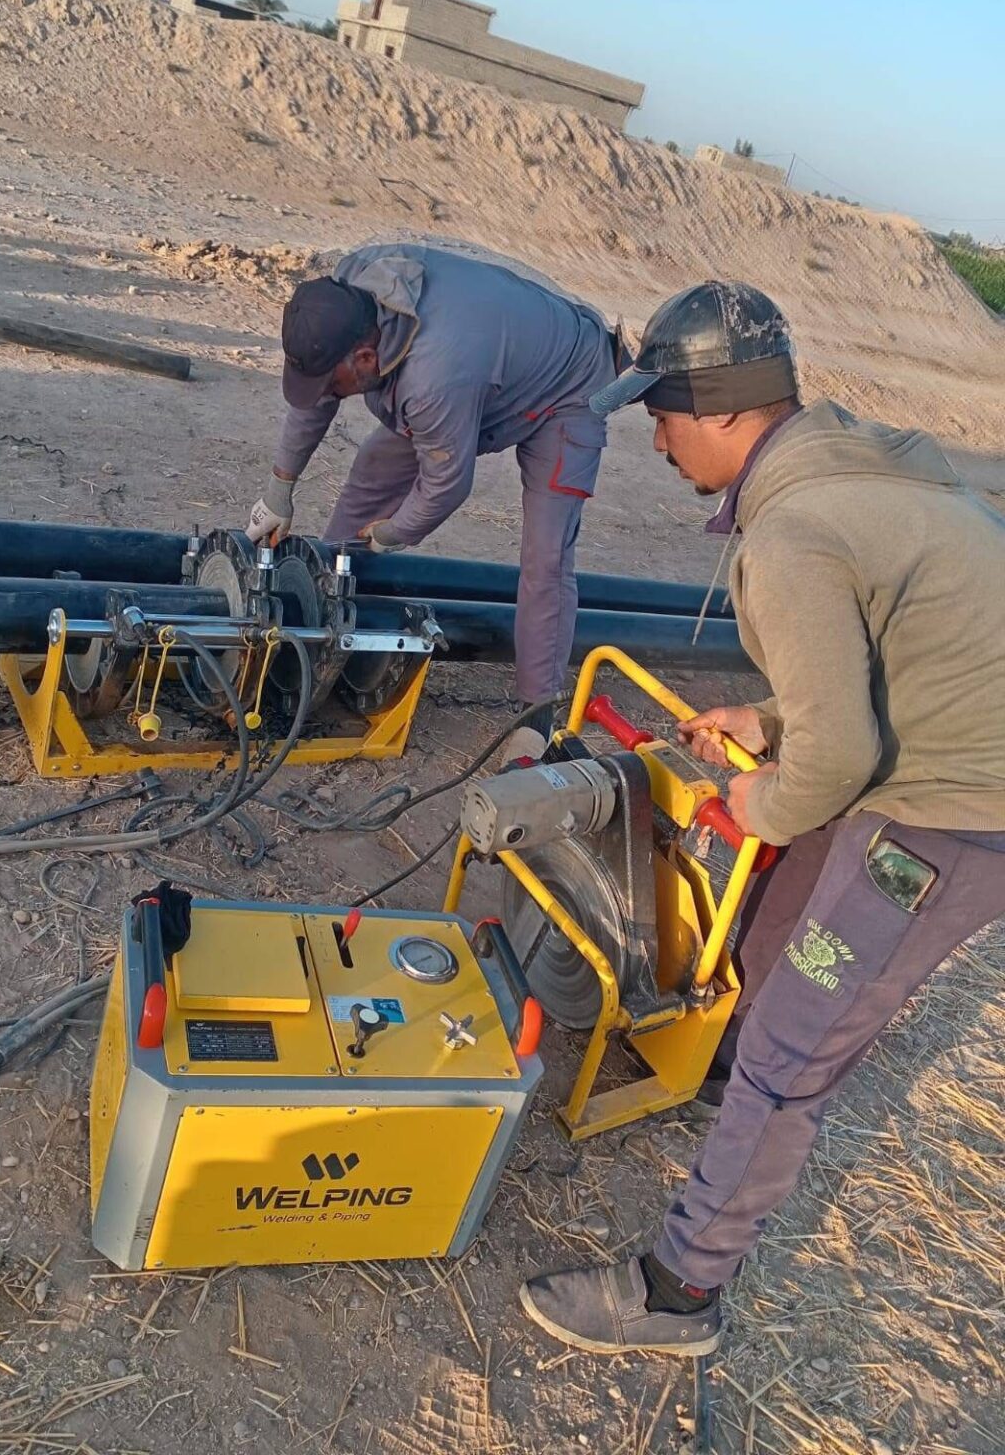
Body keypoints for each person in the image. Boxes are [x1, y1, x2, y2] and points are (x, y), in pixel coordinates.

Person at [519, 279, 1005, 1356]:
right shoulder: (867, 474)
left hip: (960, 810)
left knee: (797, 1044)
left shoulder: (792, 534)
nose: (657, 441)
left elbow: (841, 759)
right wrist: (772, 719)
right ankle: (725, 1072)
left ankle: (678, 1293)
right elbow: (902, 656)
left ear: (728, 410)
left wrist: (764, 794)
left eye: (664, 416)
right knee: (779, 909)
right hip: (939, 746)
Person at [244, 243, 627, 761]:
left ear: (365, 359)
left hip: (568, 386)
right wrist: (279, 489)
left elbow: (446, 483)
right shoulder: (349, 294)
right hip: (490, 359)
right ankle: (324, 617)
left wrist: (393, 532)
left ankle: (537, 713)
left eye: (333, 380)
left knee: (546, 557)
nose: (326, 391)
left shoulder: (431, 379)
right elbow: (317, 397)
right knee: (372, 472)